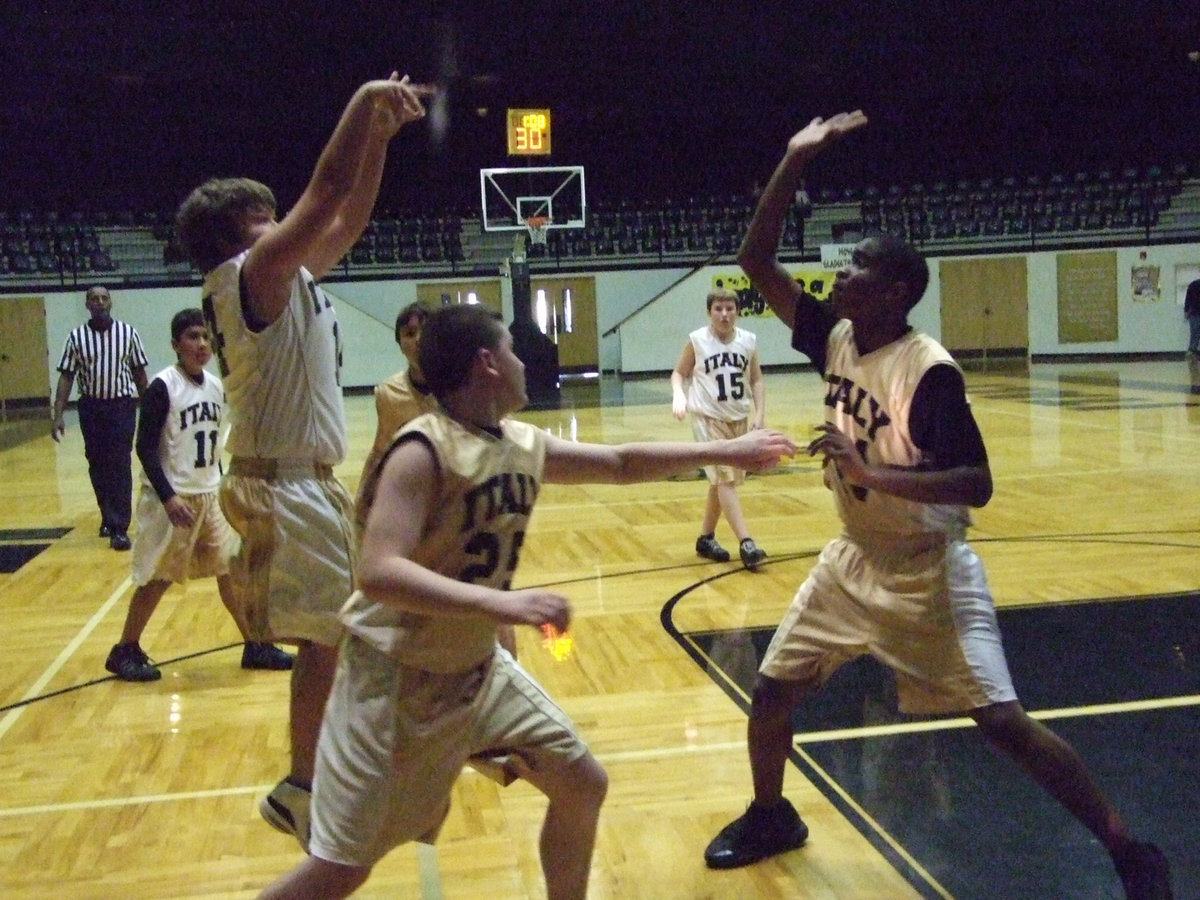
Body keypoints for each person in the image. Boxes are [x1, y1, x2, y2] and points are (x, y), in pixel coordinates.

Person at [703, 112, 1173, 900]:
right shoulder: (837, 336)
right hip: (852, 561)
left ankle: (1128, 847)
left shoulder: (930, 373)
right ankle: (772, 813)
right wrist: (793, 157)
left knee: (1003, 726)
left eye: (855, 271)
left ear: (894, 292)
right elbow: (756, 259)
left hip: (928, 573)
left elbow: (975, 483)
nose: (838, 277)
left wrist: (869, 472)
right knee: (773, 693)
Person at [258, 304, 797, 900]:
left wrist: (727, 451)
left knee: (582, 783)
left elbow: (620, 465)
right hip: (394, 682)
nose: (523, 360)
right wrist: (501, 607)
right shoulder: (422, 450)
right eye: (512, 350)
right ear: (487, 364)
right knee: (341, 870)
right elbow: (379, 572)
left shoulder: (518, 440)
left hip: (476, 671)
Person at [173, 73, 435, 850]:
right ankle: (310, 781)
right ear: (237, 238)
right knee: (337, 634)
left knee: (347, 630)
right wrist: (361, 100)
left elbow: (346, 215)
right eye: (266, 217)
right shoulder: (246, 277)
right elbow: (325, 195)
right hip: (278, 484)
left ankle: (316, 777)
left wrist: (382, 140)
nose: (284, 221)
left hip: (304, 480)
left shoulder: (286, 278)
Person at [104, 309, 294, 682]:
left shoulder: (214, 385)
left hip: (208, 495)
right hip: (172, 500)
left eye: (206, 337)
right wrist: (168, 497)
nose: (202, 344)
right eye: (193, 337)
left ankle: (255, 644)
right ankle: (124, 648)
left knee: (230, 571)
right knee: (157, 577)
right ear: (176, 345)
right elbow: (143, 448)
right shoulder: (163, 387)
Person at [671, 286, 768, 570]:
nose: (724, 315)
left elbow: (757, 380)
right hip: (707, 417)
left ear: (737, 311)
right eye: (718, 309)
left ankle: (705, 538)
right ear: (709, 312)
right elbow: (679, 373)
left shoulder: (748, 341)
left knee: (721, 480)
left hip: (737, 418)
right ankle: (746, 542)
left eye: (730, 309)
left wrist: (760, 413)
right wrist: (679, 395)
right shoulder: (697, 340)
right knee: (725, 479)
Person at [51, 285, 149, 550]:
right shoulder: (76, 337)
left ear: (111, 303)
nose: (100, 302)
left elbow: (140, 373)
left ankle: (119, 527)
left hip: (122, 406)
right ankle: (107, 515)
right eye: (94, 299)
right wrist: (58, 414)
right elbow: (66, 376)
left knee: (119, 463)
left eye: (104, 298)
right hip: (91, 408)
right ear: (87, 305)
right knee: (97, 463)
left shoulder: (128, 333)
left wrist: (151, 408)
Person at [353, 300, 439, 512]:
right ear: (400, 344)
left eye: (425, 332)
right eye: (409, 334)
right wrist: (363, 501)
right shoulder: (388, 393)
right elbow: (380, 449)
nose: (418, 340)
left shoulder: (460, 387)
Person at [1184, 276, 1200, 356]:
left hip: (1194, 313)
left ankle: (1192, 351)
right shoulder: (1193, 285)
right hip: (1195, 312)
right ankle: (1192, 351)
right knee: (1195, 333)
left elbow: (1187, 299)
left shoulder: (1193, 285)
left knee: (1194, 333)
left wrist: (1186, 311)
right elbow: (1188, 299)